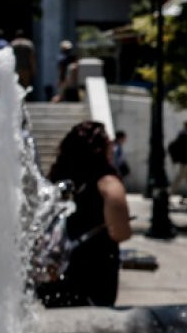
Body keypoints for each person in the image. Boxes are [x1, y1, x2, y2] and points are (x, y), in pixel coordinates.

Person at [37, 121, 132, 308]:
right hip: (95, 275)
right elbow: (121, 233)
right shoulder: (108, 184)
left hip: (56, 273)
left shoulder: (58, 180)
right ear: (101, 148)